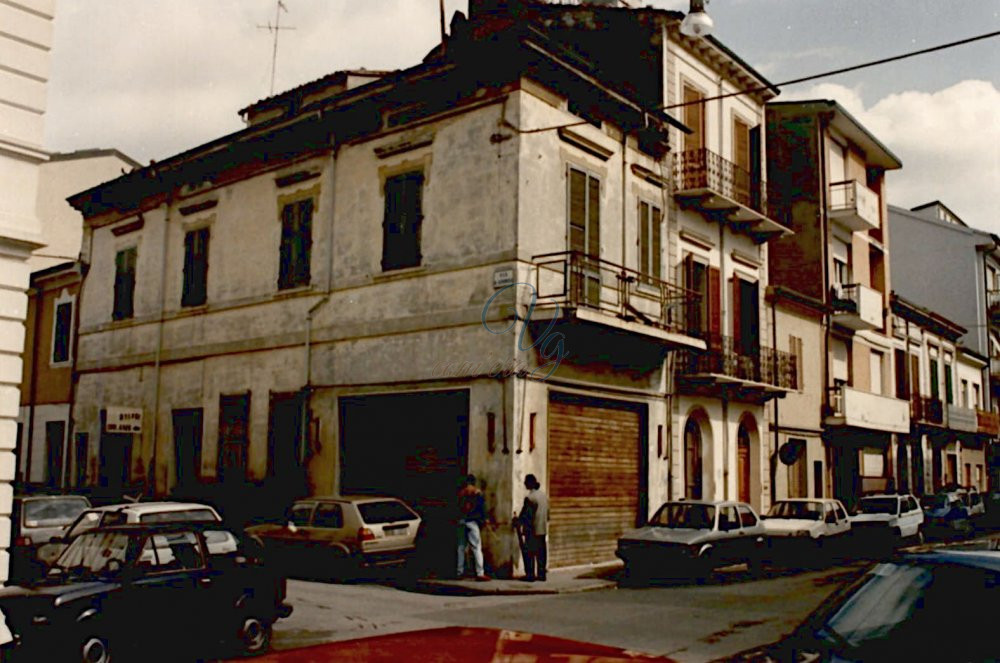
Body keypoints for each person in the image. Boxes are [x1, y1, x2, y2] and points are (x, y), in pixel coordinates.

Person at [516, 473, 548, 581]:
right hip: (542, 529)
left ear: (529, 483)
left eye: (526, 482)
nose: (524, 484)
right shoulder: (544, 496)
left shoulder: (530, 498)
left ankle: (530, 575)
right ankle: (541, 574)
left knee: (529, 553)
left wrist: (518, 522)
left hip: (532, 530)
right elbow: (548, 514)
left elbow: (526, 515)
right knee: (541, 553)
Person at [456, 474, 489, 581]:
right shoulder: (476, 493)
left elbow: (457, 507)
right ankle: (480, 573)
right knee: (476, 548)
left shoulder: (461, 493)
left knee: (461, 548)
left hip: (461, 521)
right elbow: (481, 507)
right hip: (472, 522)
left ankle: (459, 571)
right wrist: (485, 519)